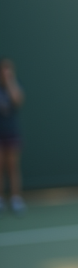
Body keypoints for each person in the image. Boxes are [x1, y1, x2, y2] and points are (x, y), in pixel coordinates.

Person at [0, 58, 26, 216]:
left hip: (12, 133)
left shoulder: (15, 86)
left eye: (8, 71)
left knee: (13, 167)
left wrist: (10, 82)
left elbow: (18, 100)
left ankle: (16, 199)